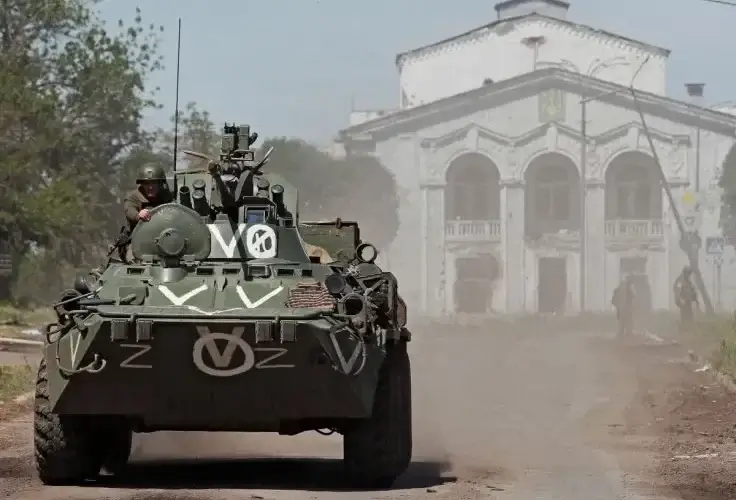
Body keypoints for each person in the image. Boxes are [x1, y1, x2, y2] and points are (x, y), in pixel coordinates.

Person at [120, 164, 174, 261]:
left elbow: (176, 212)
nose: (150, 187)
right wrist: (138, 215)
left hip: (165, 239)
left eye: (154, 183)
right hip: (138, 240)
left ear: (160, 183)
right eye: (146, 183)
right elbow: (129, 210)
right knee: (133, 260)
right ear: (141, 184)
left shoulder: (167, 196)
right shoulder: (134, 197)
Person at [673, 265, 699, 330]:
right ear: (685, 273)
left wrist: (695, 299)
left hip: (688, 302)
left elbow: (693, 291)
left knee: (690, 317)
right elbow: (677, 291)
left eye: (689, 273)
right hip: (683, 302)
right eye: (688, 273)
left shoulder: (689, 281)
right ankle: (683, 329)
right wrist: (681, 302)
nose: (689, 275)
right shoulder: (680, 281)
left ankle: (688, 329)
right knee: (684, 316)